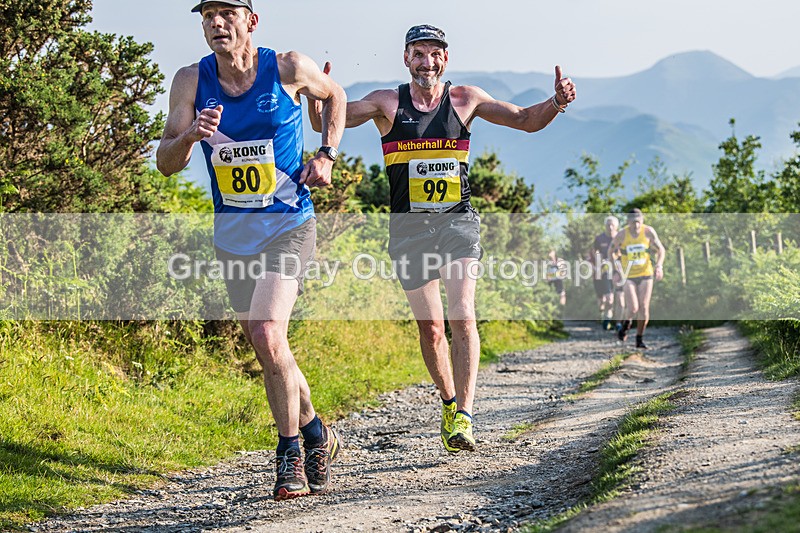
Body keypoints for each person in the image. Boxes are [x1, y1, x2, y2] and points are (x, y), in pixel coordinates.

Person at [310, 24, 576, 452]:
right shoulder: (386, 103)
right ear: (406, 58)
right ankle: (449, 403)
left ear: (445, 59)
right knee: (432, 329)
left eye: (435, 53)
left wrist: (556, 102)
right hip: (408, 229)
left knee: (463, 314)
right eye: (418, 53)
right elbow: (324, 121)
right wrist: (319, 94)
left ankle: (465, 416)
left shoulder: (466, 99)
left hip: (457, 223)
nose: (427, 62)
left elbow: (526, 120)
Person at [155, 0, 346, 501]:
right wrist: (190, 136)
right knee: (269, 346)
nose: (216, 23)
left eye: (227, 13)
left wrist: (327, 154)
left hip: (289, 225)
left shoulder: (286, 67)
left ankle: (289, 456)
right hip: (233, 237)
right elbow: (166, 162)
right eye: (207, 16)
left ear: (251, 21)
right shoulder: (190, 81)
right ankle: (317, 432)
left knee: (266, 331)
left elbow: (336, 95)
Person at [609, 208, 665, 349]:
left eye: (639, 222)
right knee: (633, 308)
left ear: (642, 220)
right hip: (628, 275)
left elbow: (661, 250)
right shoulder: (622, 235)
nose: (636, 225)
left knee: (644, 307)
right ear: (628, 222)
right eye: (633, 222)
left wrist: (659, 266)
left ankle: (639, 339)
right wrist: (616, 270)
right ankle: (626, 325)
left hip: (646, 273)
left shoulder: (648, 232)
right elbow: (610, 252)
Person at [589, 216, 619, 330]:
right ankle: (606, 319)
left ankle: (618, 320)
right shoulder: (599, 239)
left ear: (616, 226)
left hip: (620, 270)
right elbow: (595, 252)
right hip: (605, 270)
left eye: (612, 225)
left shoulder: (620, 236)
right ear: (605, 226)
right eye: (608, 225)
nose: (610, 227)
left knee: (620, 297)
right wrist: (599, 261)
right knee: (607, 298)